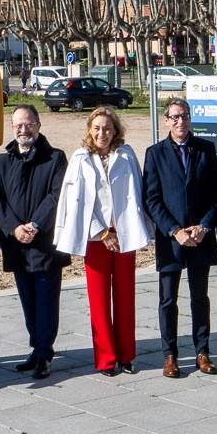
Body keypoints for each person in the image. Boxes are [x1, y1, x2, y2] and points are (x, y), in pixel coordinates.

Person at [53, 107, 152, 376]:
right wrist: (101, 232)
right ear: (89, 129)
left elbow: (135, 194)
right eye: (97, 128)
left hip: (123, 236)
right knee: (98, 301)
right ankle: (106, 359)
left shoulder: (127, 154)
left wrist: (125, 231)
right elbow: (77, 201)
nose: (102, 133)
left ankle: (127, 355)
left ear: (115, 130)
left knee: (125, 297)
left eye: (107, 128)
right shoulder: (80, 158)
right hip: (96, 238)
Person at [141, 98, 217, 378]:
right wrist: (175, 230)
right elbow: (151, 199)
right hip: (171, 239)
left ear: (190, 119)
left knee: (200, 297)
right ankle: (170, 355)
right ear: (166, 121)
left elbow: (216, 194)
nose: (180, 121)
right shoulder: (155, 153)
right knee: (167, 300)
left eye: (184, 116)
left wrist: (204, 226)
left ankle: (203, 352)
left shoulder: (206, 149)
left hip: (199, 237)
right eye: (174, 117)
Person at [0, 106, 69, 379]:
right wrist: (14, 228)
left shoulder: (55, 158)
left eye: (28, 124)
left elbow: (56, 196)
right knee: (27, 300)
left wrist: (35, 225)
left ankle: (45, 354)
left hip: (44, 243)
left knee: (46, 301)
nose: (23, 130)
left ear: (38, 124)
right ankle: (36, 349)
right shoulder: (2, 162)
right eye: (18, 125)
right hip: (16, 244)